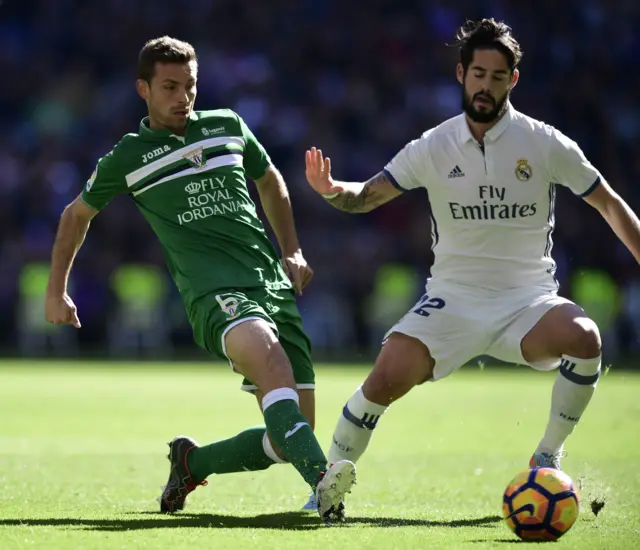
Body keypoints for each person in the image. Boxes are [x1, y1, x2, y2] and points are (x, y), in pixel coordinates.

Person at [304, 19, 640, 476]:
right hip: (452, 301)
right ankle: (323, 486)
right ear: (461, 74)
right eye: (478, 74)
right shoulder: (434, 145)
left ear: (512, 81)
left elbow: (610, 204)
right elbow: (367, 196)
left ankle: (547, 455)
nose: (486, 86)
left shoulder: (544, 143)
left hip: (528, 301)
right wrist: (329, 189)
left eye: (497, 77)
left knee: (586, 339)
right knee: (382, 378)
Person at [44, 36, 355, 522]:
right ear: (142, 89)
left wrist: (291, 249)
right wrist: (56, 289)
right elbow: (75, 215)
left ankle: (192, 462)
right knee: (273, 370)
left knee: (289, 437)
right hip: (215, 295)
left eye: (189, 85)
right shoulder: (129, 156)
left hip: (271, 285)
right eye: (169, 86)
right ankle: (324, 487)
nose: (182, 96)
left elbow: (270, 179)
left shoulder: (227, 125)